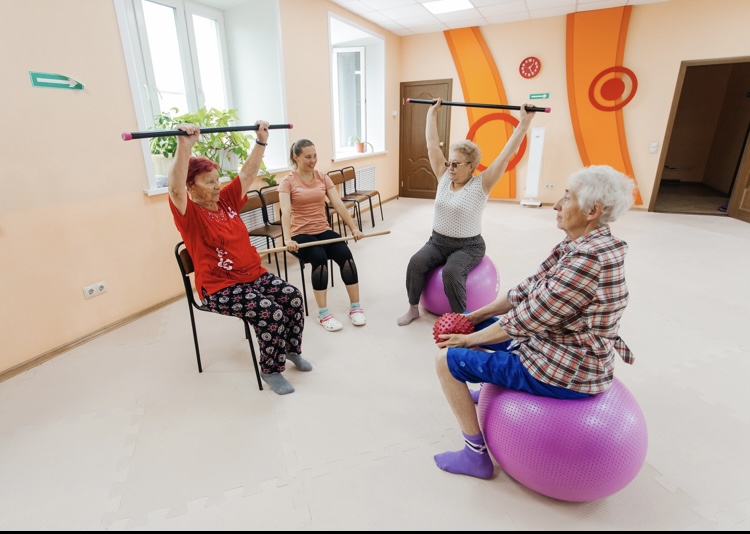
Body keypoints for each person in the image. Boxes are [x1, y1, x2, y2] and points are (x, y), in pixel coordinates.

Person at [432, 165, 636, 479]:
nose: (557, 205)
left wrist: (465, 341)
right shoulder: (580, 243)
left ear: (593, 210)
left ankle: (475, 456)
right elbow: (527, 289)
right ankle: (487, 388)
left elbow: (527, 319)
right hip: (556, 344)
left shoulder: (587, 260)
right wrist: (473, 318)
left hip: (566, 371)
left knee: (446, 361)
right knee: (479, 326)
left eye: (567, 198)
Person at [168, 121, 311, 396]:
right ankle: (271, 370)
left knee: (293, 297)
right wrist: (184, 146)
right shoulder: (190, 214)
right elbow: (174, 190)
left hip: (253, 276)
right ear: (191, 186)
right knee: (270, 311)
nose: (216, 186)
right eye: (209, 182)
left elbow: (247, 173)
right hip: (220, 288)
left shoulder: (225, 200)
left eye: (217, 179)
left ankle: (291, 350)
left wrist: (261, 141)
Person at [397, 98, 536, 326]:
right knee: (416, 262)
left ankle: (461, 319)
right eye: (449, 163)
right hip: (437, 242)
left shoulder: (482, 184)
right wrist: (432, 113)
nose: (449, 167)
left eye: (456, 164)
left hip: (468, 246)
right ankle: (413, 308)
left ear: (471, 166)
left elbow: (505, 155)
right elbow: (432, 146)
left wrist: (524, 123)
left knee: (452, 272)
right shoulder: (444, 176)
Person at [279, 139, 366, 332]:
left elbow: (338, 204)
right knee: (319, 257)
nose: (313, 160)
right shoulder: (288, 182)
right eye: (308, 157)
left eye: (315, 156)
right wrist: (287, 239)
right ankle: (323, 314)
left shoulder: (322, 177)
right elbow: (285, 212)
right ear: (296, 157)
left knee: (345, 254)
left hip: (323, 229)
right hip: (301, 233)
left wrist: (353, 228)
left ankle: (355, 307)